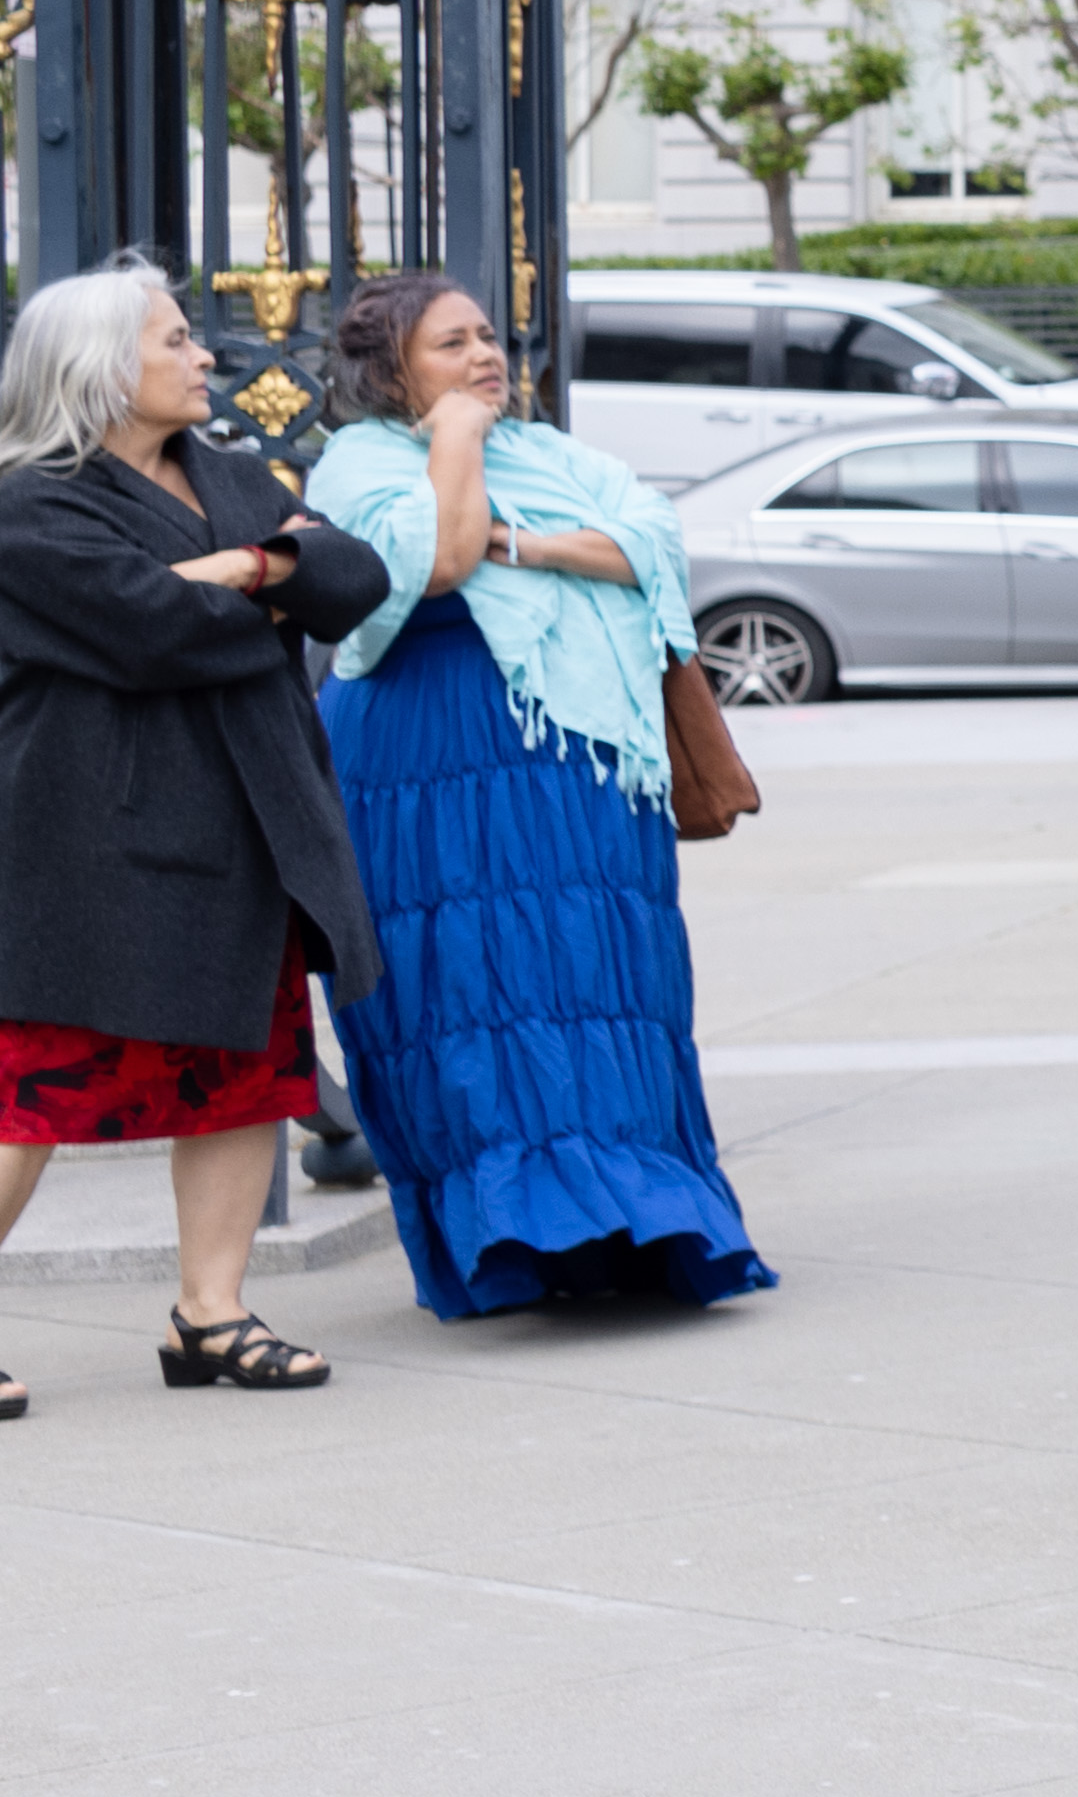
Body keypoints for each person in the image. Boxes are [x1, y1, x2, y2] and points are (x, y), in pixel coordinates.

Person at [300, 278, 769, 1319]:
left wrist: (528, 542)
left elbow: (651, 544)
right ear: (392, 372)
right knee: (466, 985)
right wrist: (457, 442)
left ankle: (645, 1228)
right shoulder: (358, 464)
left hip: (581, 767)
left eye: (487, 337)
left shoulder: (557, 456)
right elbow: (435, 557)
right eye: (451, 345)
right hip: (430, 764)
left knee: (602, 978)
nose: (485, 356)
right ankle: (516, 1235)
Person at [0, 262, 389, 1400]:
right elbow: (151, 630)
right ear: (104, 367)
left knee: (242, 1078)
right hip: (90, 842)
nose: (203, 355)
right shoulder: (27, 502)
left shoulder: (227, 474)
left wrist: (248, 564)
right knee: (33, 1091)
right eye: (177, 340)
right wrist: (264, 582)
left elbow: (353, 576)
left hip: (246, 826)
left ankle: (209, 1316)